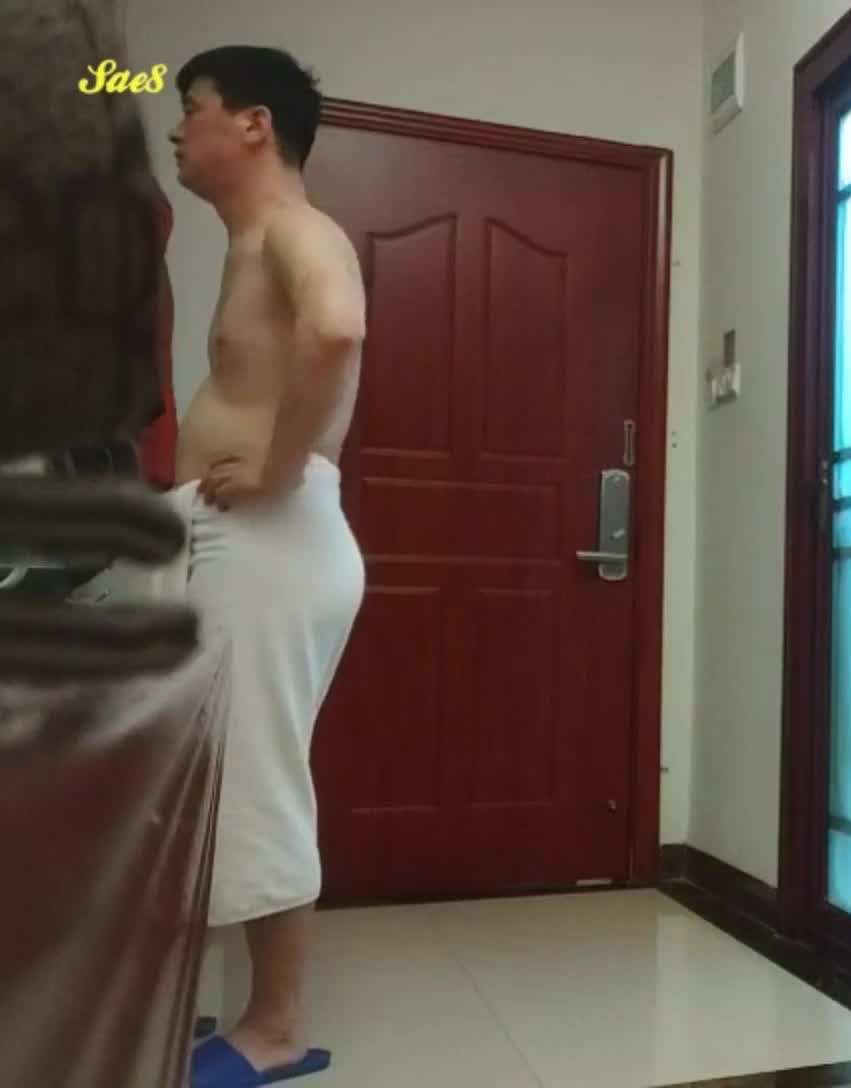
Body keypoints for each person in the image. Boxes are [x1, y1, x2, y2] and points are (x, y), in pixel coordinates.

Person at [167, 45, 366, 1087]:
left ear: (251, 123)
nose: (175, 128)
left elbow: (337, 326)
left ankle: (278, 1026)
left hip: (272, 542)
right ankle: (203, 1003)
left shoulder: (295, 227)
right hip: (240, 544)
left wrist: (279, 466)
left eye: (190, 107)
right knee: (212, 780)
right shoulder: (253, 243)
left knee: (255, 781)